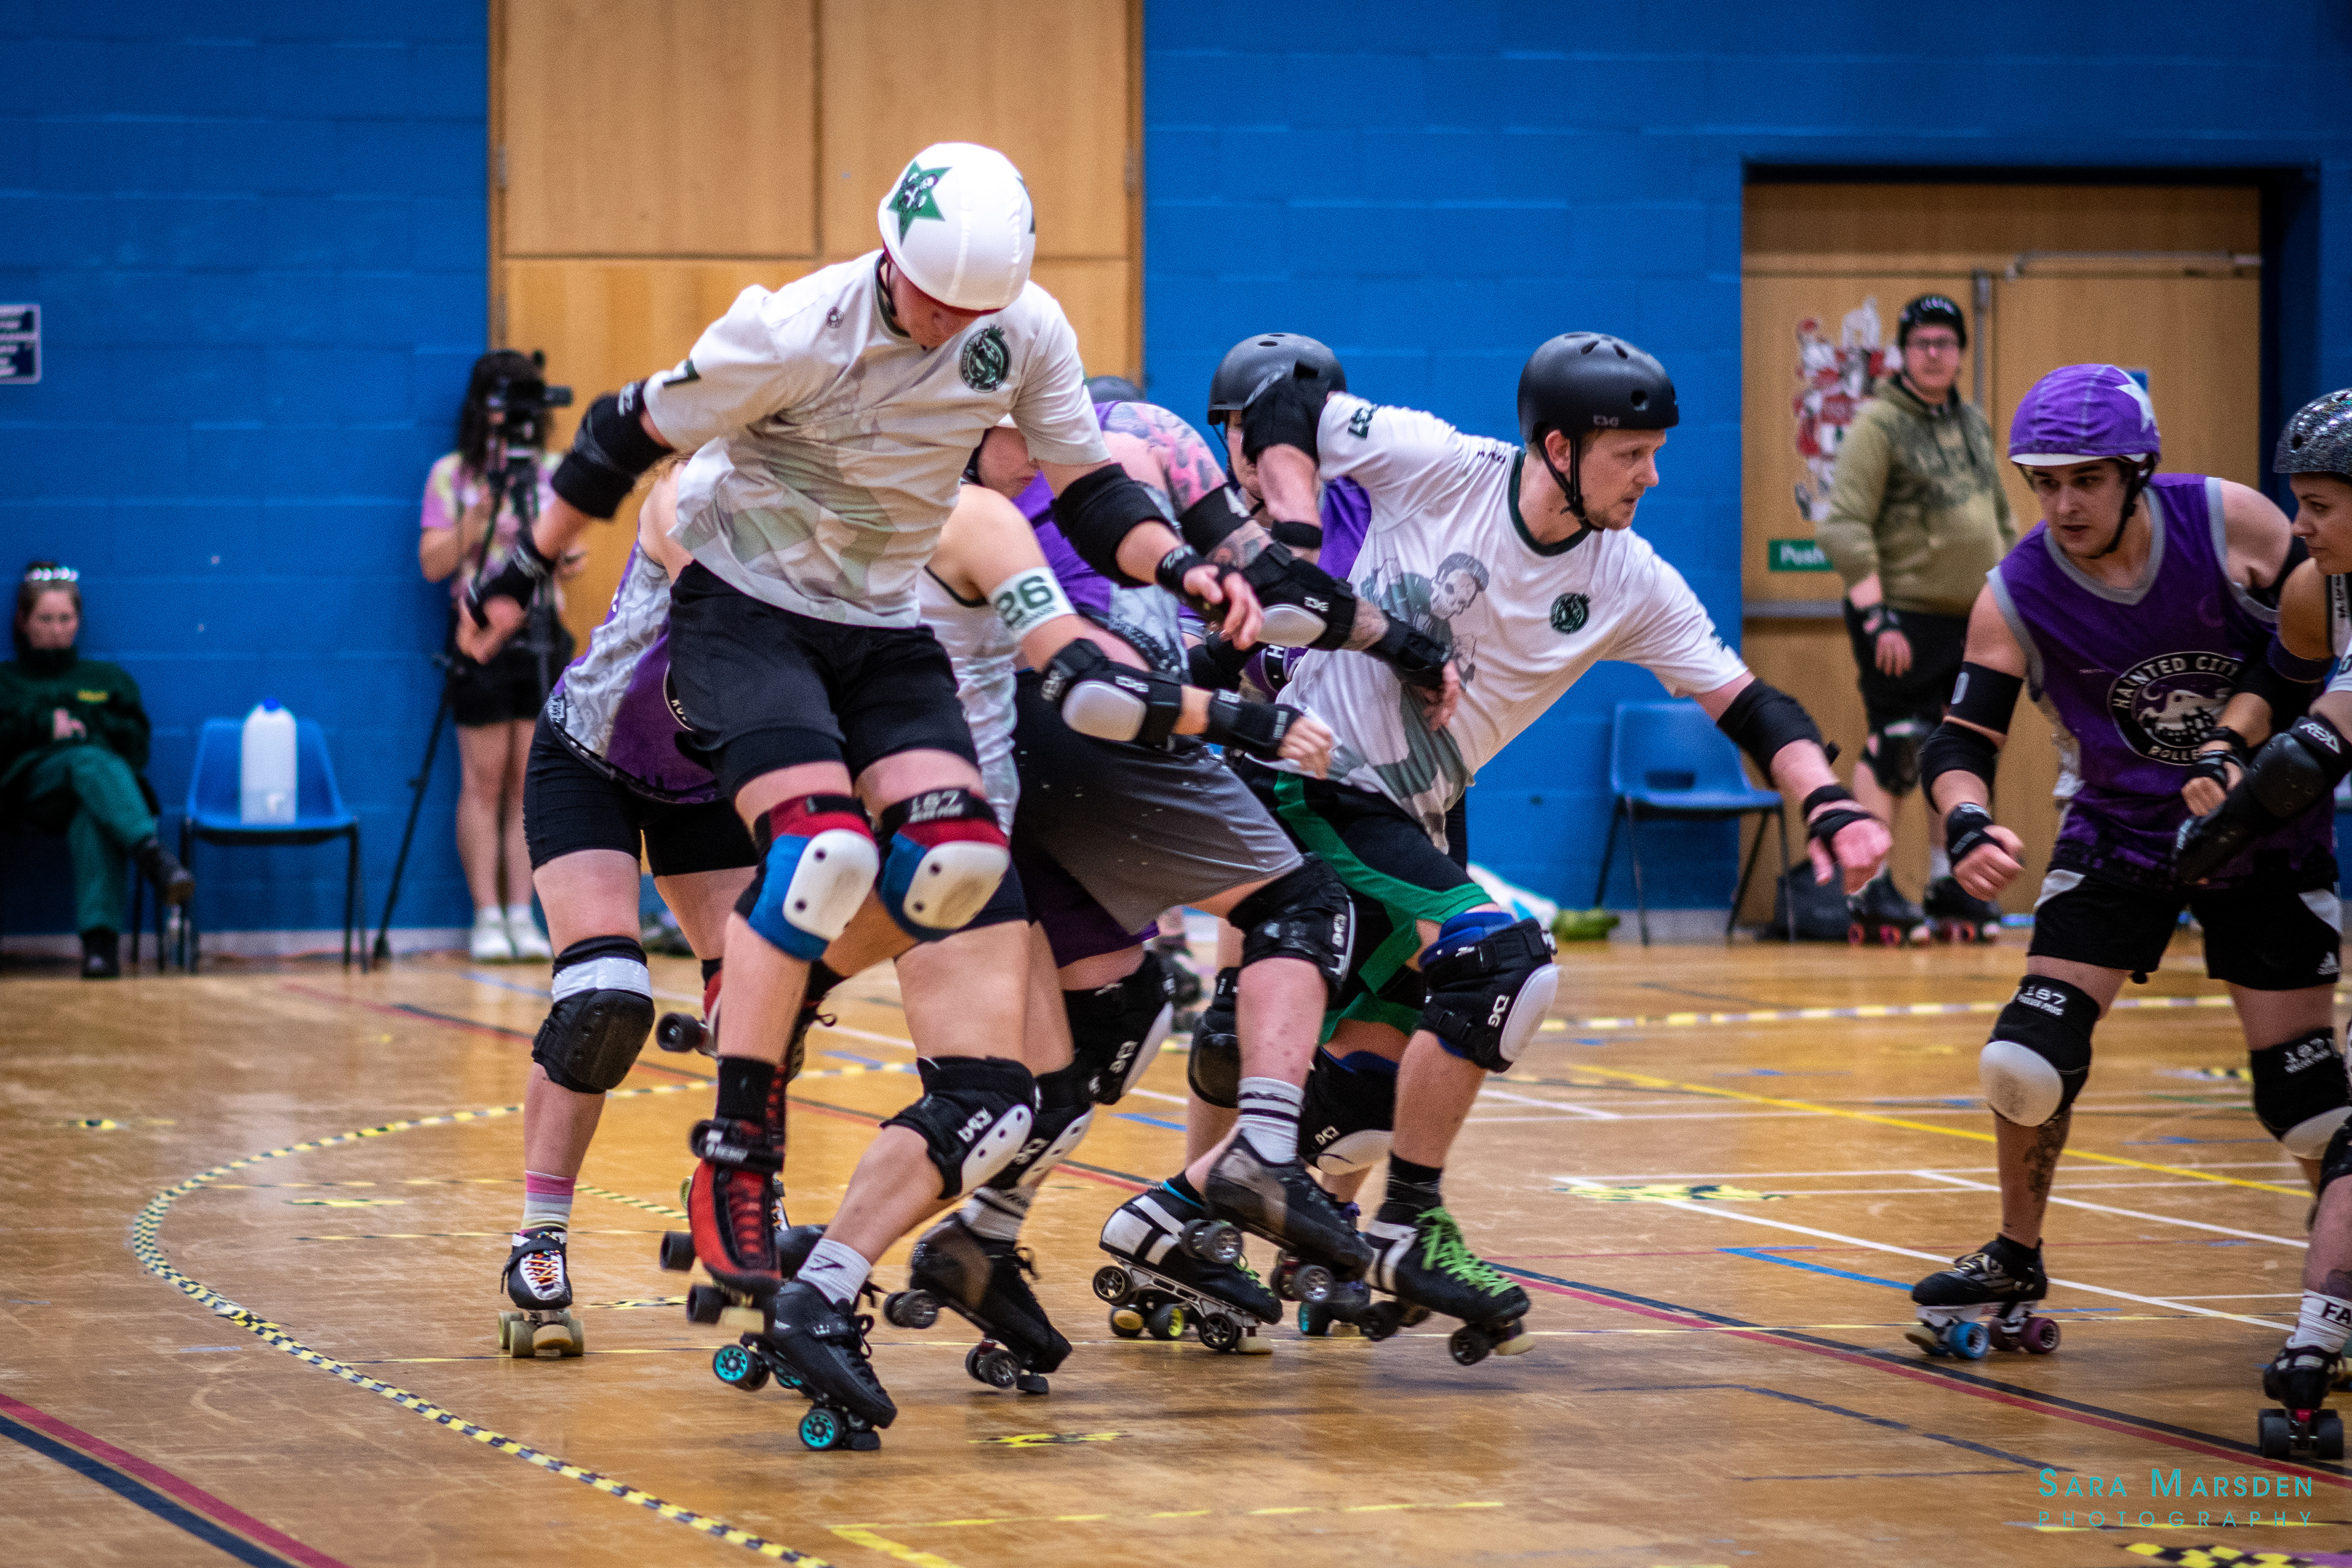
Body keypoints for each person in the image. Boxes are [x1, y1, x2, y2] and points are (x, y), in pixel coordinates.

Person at [458, 141, 1283, 1441]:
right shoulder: (793, 332)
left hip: (870, 637)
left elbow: (1091, 485)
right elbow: (624, 438)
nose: (953, 332)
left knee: (955, 864)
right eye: (932, 302)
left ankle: (861, 1243)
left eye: (976, 311)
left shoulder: (1023, 335)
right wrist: (522, 568)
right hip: (737, 636)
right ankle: (730, 1159)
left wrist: (1191, 566)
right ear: (889, 257)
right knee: (805, 868)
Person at [1235, 332, 1887, 1359]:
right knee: (1506, 960)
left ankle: (1259, 1227)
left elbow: (1751, 704)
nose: (1652, 476)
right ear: (1558, 448)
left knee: (1373, 1086)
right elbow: (1283, 403)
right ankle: (1406, 1226)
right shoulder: (1442, 464)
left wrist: (1831, 804)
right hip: (1316, 785)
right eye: (1632, 454)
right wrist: (1300, 539)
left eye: (1656, 454)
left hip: (1413, 817)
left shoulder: (1627, 578)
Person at [1903, 364, 2336, 1361]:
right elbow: (1961, 739)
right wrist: (1966, 823)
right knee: (2025, 1059)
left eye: (2087, 481)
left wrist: (2264, 758)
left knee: (2306, 1102)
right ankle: (2015, 1255)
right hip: (2119, 834)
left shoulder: (2229, 522)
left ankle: (2340, 1293)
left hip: (2266, 835)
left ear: (2137, 472)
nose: (2064, 506)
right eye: (2045, 483)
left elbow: (2315, 642)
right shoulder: (2015, 591)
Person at [494, 464, 758, 1357]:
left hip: (705, 785)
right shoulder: (689, 489)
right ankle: (538, 1237)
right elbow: (728, 609)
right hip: (590, 760)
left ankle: (735, 1187)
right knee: (602, 1002)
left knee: (761, 998)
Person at [2168, 388, 2352, 1434]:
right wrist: (2222, 747)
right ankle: (2318, 1335)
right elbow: (2284, 687)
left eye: (2320, 505)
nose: (2300, 527)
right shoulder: (2321, 588)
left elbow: (2318, 749)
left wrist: (2222, 833)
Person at [1816, 295, 2016, 943]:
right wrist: (1877, 619)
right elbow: (1844, 525)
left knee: (1958, 743)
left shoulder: (1972, 422)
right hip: (1899, 615)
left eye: (1946, 343)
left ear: (1960, 352)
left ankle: (1949, 879)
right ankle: (1868, 886)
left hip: (1973, 616)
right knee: (1898, 742)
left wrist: (2016, 594)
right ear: (1903, 353)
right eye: (1922, 343)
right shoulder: (1878, 423)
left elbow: (2000, 516)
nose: (1935, 354)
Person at [420, 350, 581, 963]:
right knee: (483, 780)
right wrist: (476, 521)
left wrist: (567, 556)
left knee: (528, 782)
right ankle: (486, 915)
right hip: (478, 632)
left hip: (542, 630)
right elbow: (433, 564)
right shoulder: (453, 475)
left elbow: (572, 553)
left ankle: (522, 913)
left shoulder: (554, 473)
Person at [1, 562, 194, 978]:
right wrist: (42, 726)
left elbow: (137, 748)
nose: (56, 630)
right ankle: (151, 854)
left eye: (65, 618)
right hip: (28, 791)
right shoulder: (6, 681)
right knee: (85, 761)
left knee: (92, 815)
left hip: (98, 793)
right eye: (45, 619)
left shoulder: (108, 679)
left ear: (79, 620)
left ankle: (100, 947)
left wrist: (88, 724)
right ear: (24, 621)